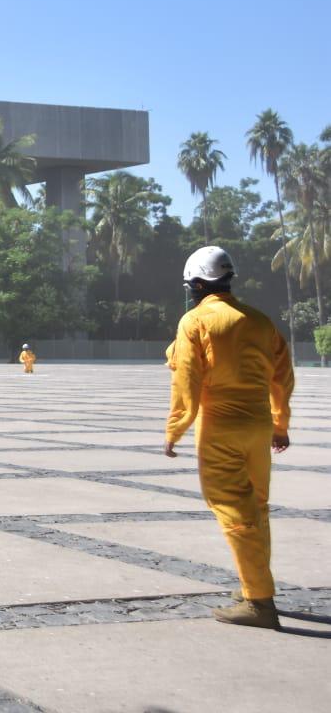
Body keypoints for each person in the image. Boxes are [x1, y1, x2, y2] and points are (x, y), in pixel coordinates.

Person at [165, 245, 294, 629]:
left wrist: (176, 427)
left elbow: (186, 378)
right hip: (257, 425)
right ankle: (251, 585)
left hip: (221, 426)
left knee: (234, 512)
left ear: (200, 284)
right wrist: (280, 423)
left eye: (191, 286)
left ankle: (259, 603)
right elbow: (283, 377)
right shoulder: (260, 321)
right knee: (258, 508)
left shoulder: (195, 320)